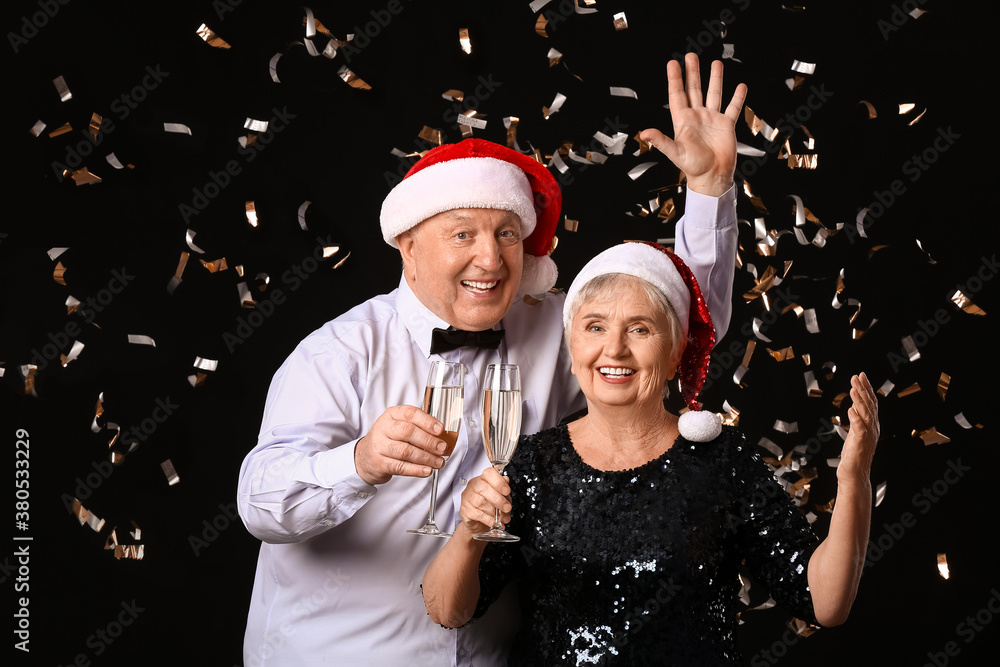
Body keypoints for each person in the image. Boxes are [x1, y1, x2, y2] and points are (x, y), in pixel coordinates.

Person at [237, 53, 747, 666]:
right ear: (408, 246)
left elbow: (676, 327)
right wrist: (361, 461)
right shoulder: (339, 353)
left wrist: (710, 188)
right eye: (462, 234)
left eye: (506, 233)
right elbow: (260, 504)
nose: (490, 258)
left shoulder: (555, 328)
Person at [422, 241, 881, 665]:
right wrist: (469, 533)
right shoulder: (534, 462)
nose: (614, 349)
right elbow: (447, 611)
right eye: (595, 326)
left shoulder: (721, 459)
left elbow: (827, 602)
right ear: (572, 343)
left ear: (677, 346)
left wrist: (853, 478)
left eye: (639, 328)